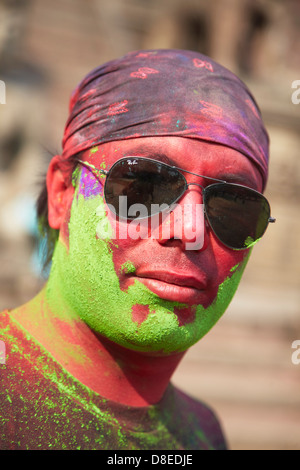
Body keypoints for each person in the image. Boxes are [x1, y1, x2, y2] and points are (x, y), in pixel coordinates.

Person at [0, 49, 275, 450]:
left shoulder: (204, 433)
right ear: (62, 193)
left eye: (232, 207)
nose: (191, 230)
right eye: (144, 186)